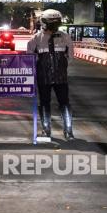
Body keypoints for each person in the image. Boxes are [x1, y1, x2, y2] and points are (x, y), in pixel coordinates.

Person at [27, 9, 75, 141]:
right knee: (44, 103)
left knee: (64, 103)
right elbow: (30, 58)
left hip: (61, 78)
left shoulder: (65, 37)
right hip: (44, 78)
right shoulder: (35, 39)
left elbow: (70, 57)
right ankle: (46, 130)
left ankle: (68, 131)